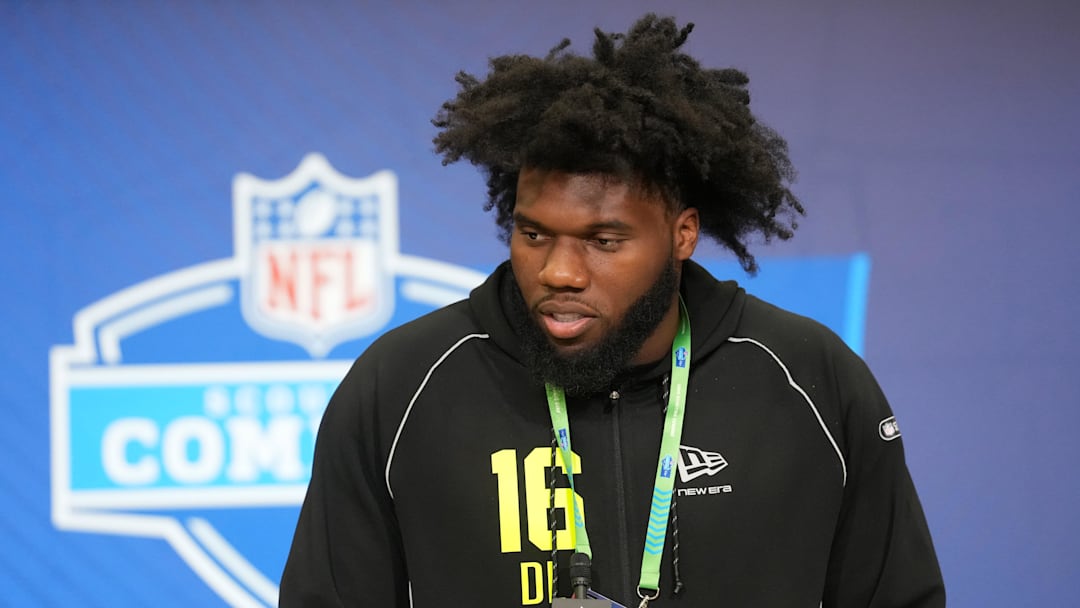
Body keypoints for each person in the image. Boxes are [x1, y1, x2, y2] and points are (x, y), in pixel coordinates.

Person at [280, 14, 945, 608]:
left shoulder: (808, 378)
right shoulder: (401, 384)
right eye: (533, 234)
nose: (559, 273)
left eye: (603, 241)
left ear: (682, 234)